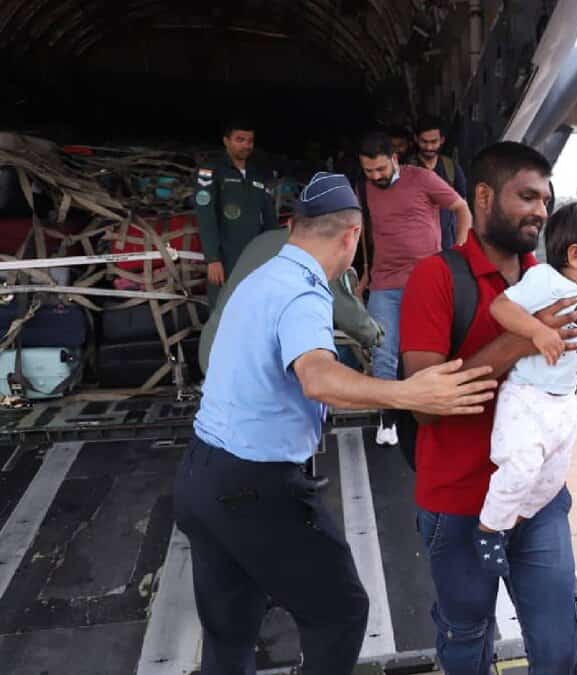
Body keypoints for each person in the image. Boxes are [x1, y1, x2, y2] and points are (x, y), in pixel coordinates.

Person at [175, 172, 498, 675]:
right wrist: (407, 393)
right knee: (341, 613)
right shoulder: (304, 293)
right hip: (254, 488)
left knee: (230, 630)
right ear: (353, 236)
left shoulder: (259, 277)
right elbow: (318, 376)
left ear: (292, 227)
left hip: (199, 476)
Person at [399, 142, 577, 675]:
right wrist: (523, 339)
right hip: (459, 505)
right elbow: (424, 407)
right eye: (526, 196)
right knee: (467, 639)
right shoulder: (436, 278)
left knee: (559, 644)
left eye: (546, 200)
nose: (540, 211)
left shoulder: (555, 284)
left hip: (538, 502)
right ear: (483, 197)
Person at [474, 202, 577, 571]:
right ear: (575, 255)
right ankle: (488, 530)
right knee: (521, 468)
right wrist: (537, 331)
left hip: (562, 404)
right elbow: (501, 307)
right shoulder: (545, 280)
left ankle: (510, 525)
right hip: (527, 396)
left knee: (550, 480)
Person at [356, 130, 472, 444]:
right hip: (384, 283)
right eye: (368, 171)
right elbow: (365, 232)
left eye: (380, 169)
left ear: (394, 158)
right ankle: (388, 419)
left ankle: (429, 414)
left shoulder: (421, 178)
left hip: (426, 282)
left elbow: (461, 207)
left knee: (427, 353)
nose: (375, 176)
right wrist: (364, 275)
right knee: (383, 352)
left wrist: (460, 251)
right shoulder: (364, 188)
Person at [198, 223, 382, 375]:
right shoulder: (315, 253)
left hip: (211, 352)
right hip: (247, 370)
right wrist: (376, 337)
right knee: (343, 355)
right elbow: (348, 315)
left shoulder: (262, 241)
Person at [195, 119, 278, 298]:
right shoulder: (211, 171)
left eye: (250, 141)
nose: (246, 145)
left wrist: (274, 253)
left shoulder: (259, 175)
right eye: (240, 140)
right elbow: (205, 216)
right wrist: (212, 259)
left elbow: (270, 218)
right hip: (225, 259)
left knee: (254, 306)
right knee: (222, 307)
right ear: (226, 141)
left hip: (255, 257)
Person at [412, 117, 471, 251]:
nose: (429, 147)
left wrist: (461, 243)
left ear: (442, 140)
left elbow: (464, 205)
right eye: (424, 142)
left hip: (448, 243)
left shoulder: (450, 167)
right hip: (416, 244)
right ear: (416, 139)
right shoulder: (406, 169)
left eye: (434, 142)